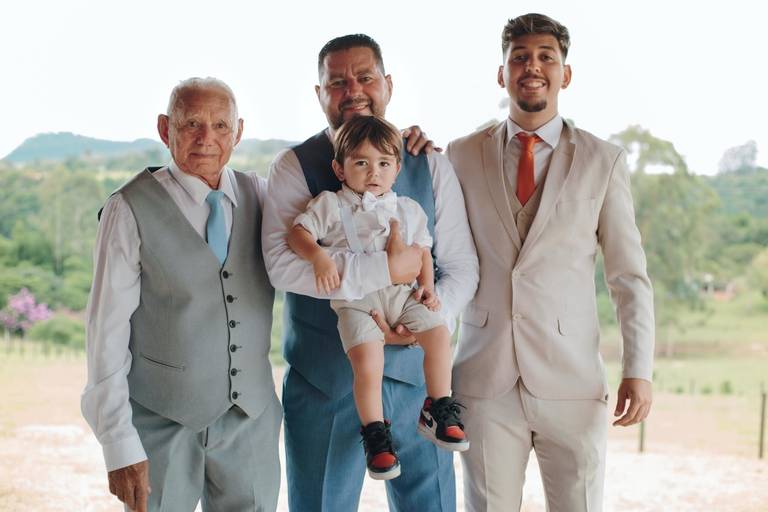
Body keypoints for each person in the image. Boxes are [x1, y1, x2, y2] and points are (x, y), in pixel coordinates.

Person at [446, 13, 655, 512]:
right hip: (484, 380)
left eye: (546, 57)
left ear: (566, 73)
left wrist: (639, 369)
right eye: (519, 57)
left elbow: (628, 277)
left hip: (573, 381)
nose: (532, 67)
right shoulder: (459, 155)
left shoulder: (604, 161)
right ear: (502, 73)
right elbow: (442, 255)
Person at [262, 34, 478, 511]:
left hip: (419, 387)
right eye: (337, 82)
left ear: (388, 85)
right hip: (325, 385)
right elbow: (281, 264)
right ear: (319, 94)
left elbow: (461, 267)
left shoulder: (429, 162)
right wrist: (386, 269)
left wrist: (421, 320)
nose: (353, 90)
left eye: (365, 77)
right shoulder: (293, 166)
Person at [81, 77, 281, 512]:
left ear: (238, 132)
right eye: (191, 123)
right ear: (164, 128)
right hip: (161, 421)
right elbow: (105, 331)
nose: (206, 138)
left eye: (220, 125)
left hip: (251, 420)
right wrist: (118, 443)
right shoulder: (128, 207)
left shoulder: (264, 195)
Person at [286, 115, 469, 481]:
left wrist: (427, 288)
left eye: (384, 163)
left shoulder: (408, 209)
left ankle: (437, 407)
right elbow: (297, 234)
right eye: (361, 163)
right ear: (339, 169)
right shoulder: (330, 204)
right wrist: (319, 257)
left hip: (403, 296)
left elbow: (422, 253)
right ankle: (375, 433)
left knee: (438, 334)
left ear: (397, 169)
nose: (374, 172)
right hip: (356, 301)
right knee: (368, 363)